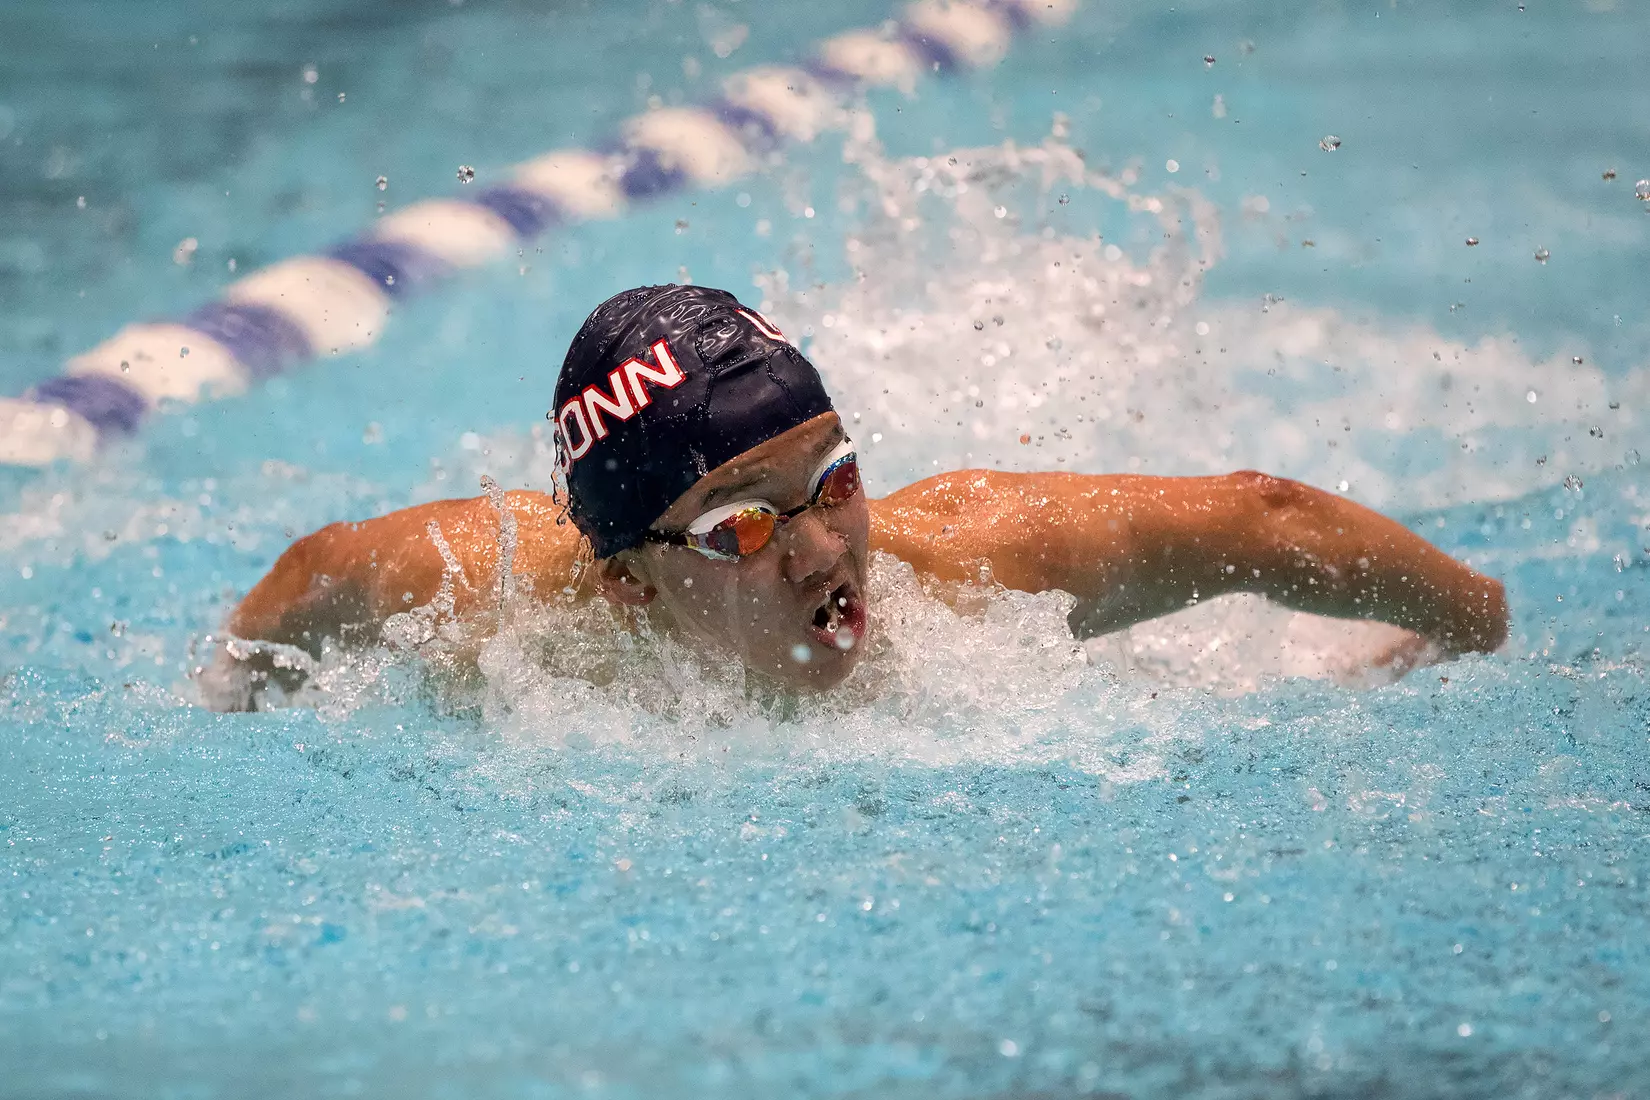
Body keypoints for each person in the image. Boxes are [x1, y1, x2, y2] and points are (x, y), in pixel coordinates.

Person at [220, 283, 1508, 705]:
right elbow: (313, 573)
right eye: (742, 523)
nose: (824, 546)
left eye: (832, 478)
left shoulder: (975, 571)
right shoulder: (494, 609)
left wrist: (1467, 631)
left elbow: (1260, 515)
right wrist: (235, 697)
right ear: (628, 575)